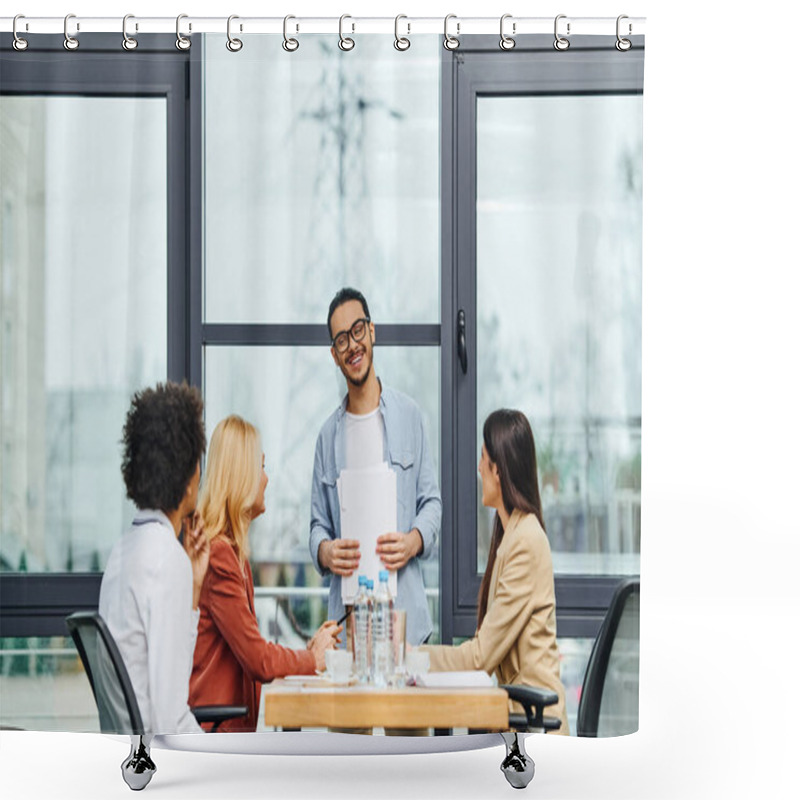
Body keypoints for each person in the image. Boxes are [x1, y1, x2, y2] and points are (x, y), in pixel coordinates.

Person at [419, 409, 569, 735]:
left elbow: (480, 657)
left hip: (534, 723)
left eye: (482, 458)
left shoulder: (525, 541)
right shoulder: (511, 535)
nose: (477, 468)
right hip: (518, 715)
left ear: (497, 469)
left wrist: (410, 658)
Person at [190, 415, 341, 732]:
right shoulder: (220, 557)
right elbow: (257, 658)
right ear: (242, 475)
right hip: (218, 736)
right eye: (260, 467)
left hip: (231, 729)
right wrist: (312, 659)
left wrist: (308, 651)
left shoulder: (234, 556)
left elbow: (252, 647)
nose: (266, 479)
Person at [309, 288, 442, 646]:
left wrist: (414, 540)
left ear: (372, 332)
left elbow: (432, 503)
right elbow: (317, 524)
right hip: (348, 629)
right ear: (334, 355)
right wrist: (325, 551)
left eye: (357, 331)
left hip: (405, 625)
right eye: (341, 340)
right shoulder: (327, 437)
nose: (352, 345)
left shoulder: (410, 416)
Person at [99, 381, 209, 735]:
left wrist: (192, 587)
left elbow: (169, 678)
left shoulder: (123, 552)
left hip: (129, 761)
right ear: (187, 477)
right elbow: (169, 721)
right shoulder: (165, 559)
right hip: (158, 766)